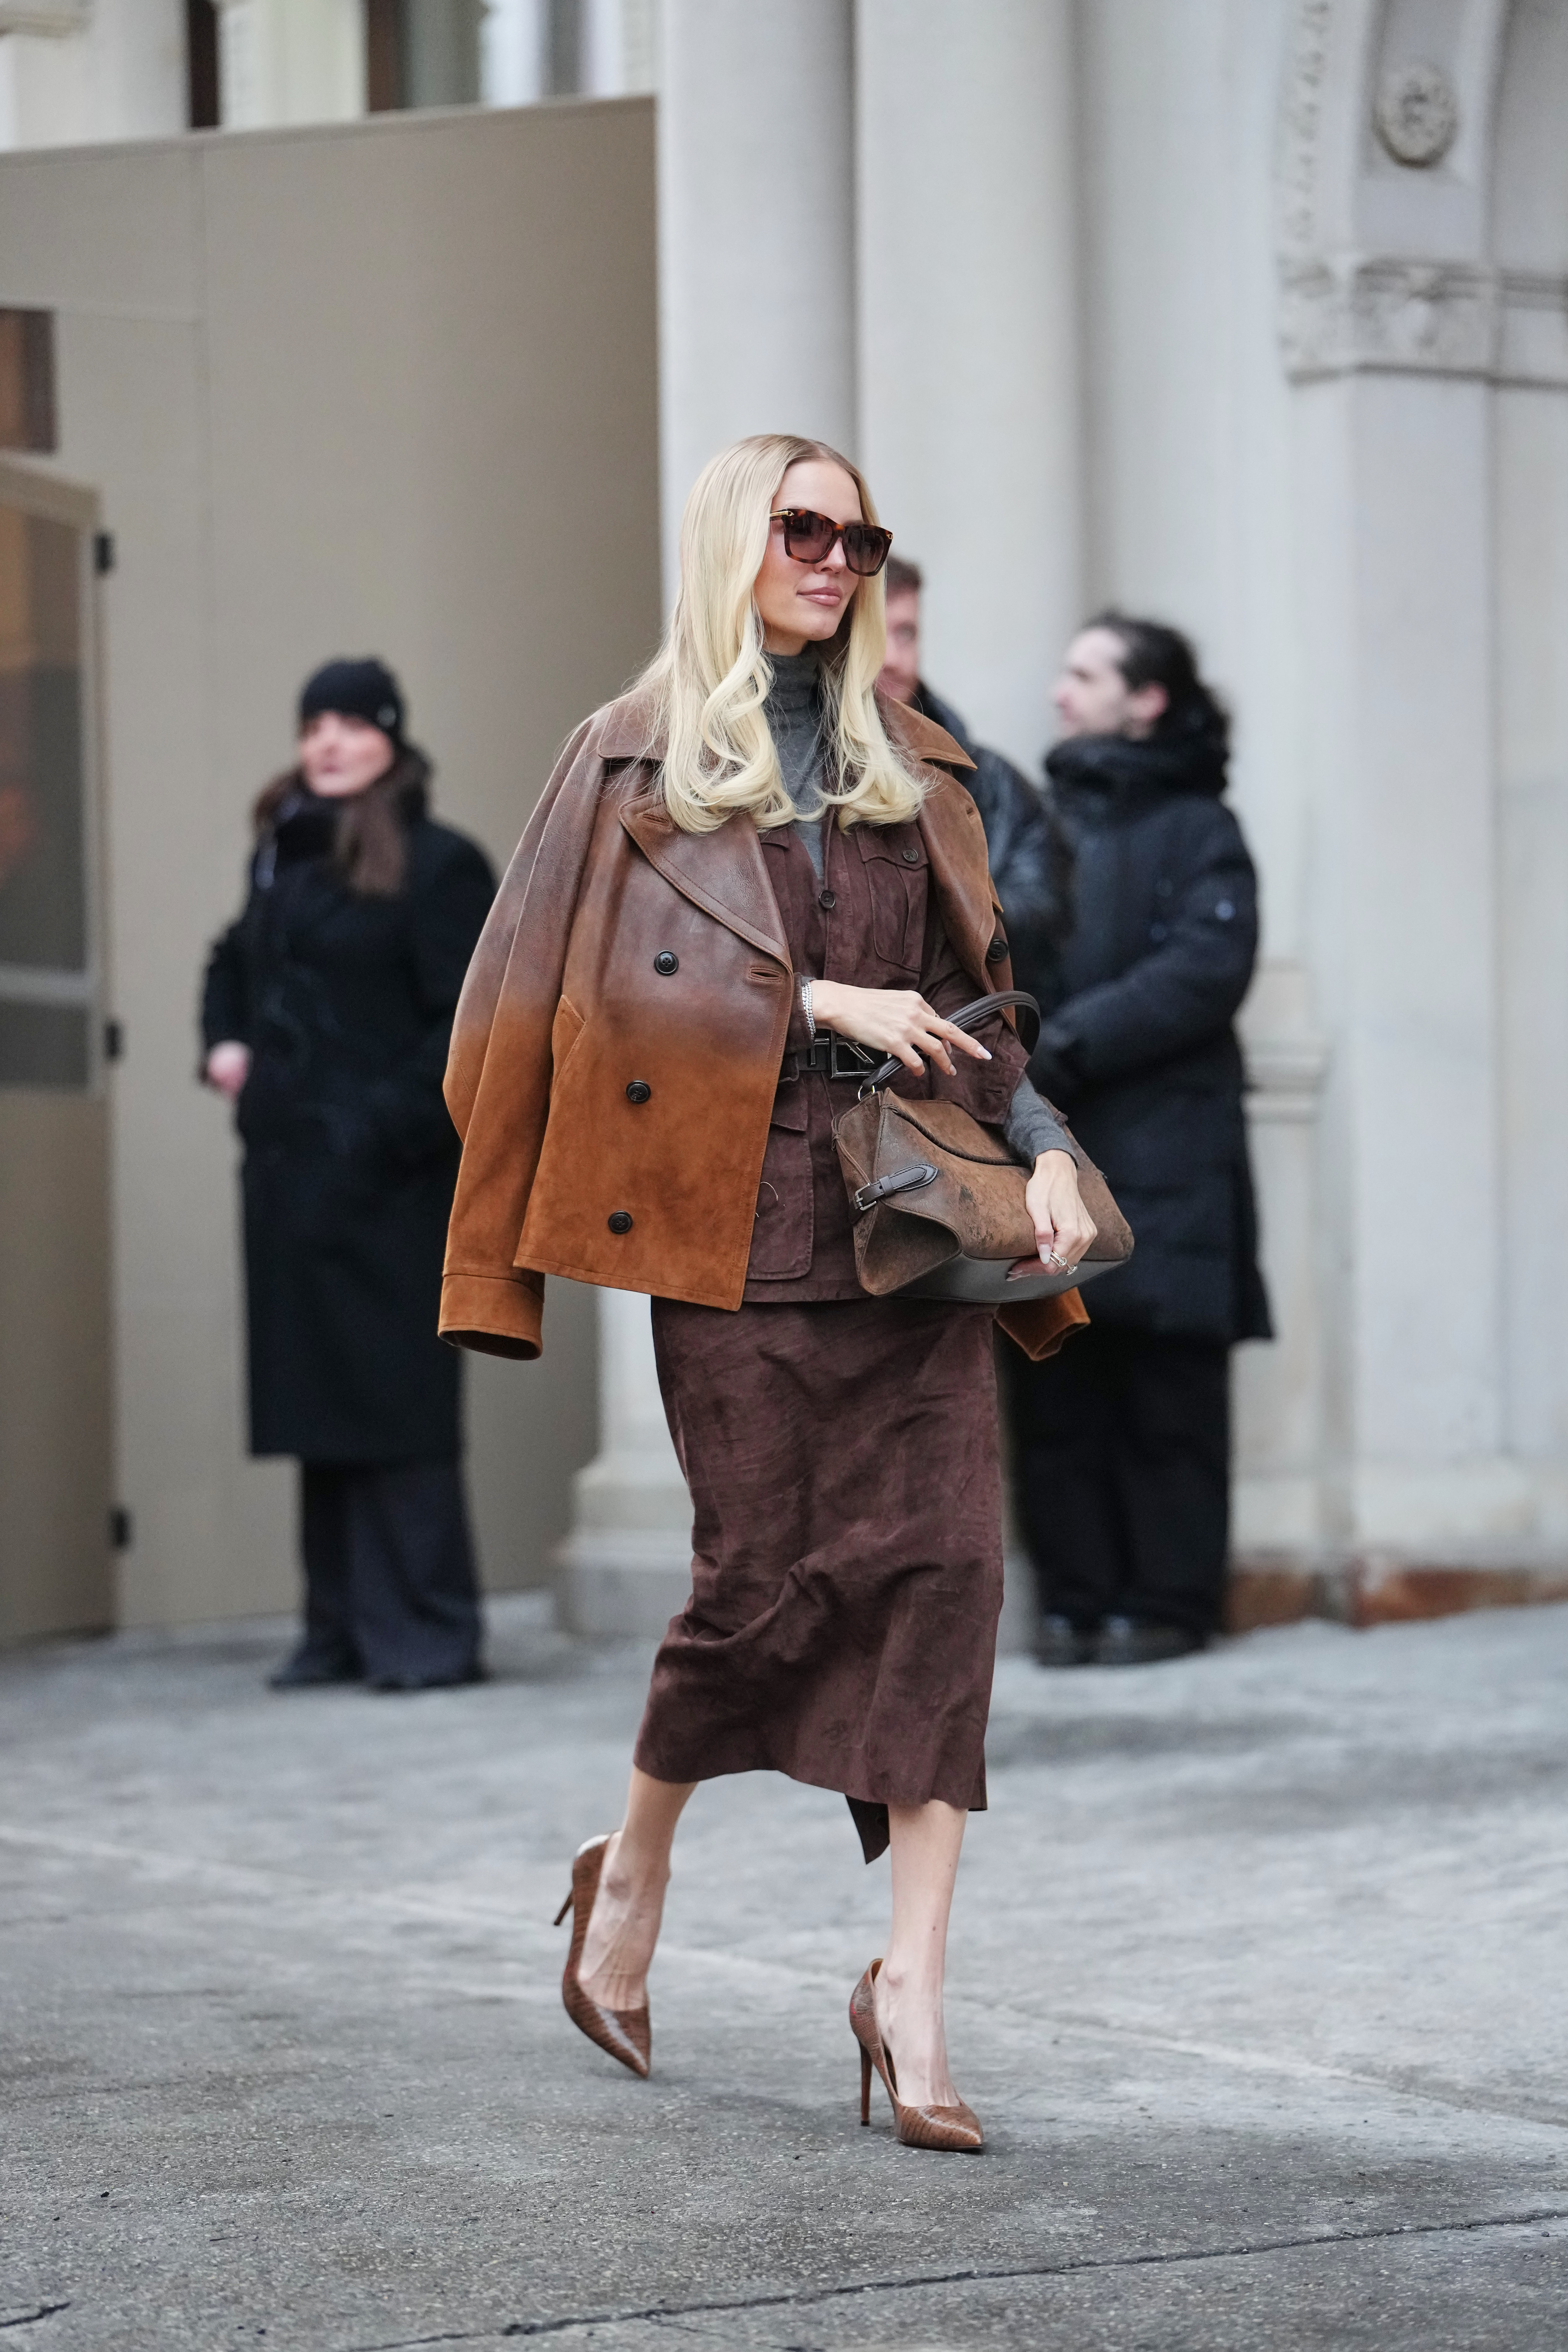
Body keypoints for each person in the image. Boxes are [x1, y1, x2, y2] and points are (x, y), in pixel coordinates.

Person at [439, 434, 1097, 2150]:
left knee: (949, 1577)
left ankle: (912, 1996)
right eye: (803, 527)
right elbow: (563, 1012)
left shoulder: (918, 768)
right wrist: (819, 1001)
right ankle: (633, 1869)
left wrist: (1034, 1144)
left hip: (902, 1233)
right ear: (735, 540)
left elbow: (979, 1003)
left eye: (857, 533)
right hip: (722, 1235)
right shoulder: (628, 761)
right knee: (759, 1584)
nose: (835, 555)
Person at [201, 658, 496, 1692]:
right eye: (311, 722)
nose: (325, 740)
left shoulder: (438, 863)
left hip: (392, 1185)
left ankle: (425, 1633)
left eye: (348, 723)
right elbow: (231, 964)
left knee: (396, 1406)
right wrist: (224, 1048)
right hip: (291, 1185)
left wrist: (375, 1134)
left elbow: (470, 1029)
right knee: (316, 1407)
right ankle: (336, 1630)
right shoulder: (280, 857)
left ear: (389, 738)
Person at [1006, 614, 1271, 1669]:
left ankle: (1166, 1603)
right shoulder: (1041, 822)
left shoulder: (1201, 827)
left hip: (1170, 1154)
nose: (1061, 691)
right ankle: (1074, 1602)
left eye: (1084, 673)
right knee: (1059, 1378)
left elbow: (1204, 971)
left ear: (1145, 698)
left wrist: (1066, 1044)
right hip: (1053, 1147)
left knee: (1165, 1391)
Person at [877, 555, 1071, 1018]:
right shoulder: (786, 775)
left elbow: (1044, 920)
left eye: (906, 633)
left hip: (973, 1049)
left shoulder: (992, 782)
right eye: (871, 633)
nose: (892, 658)